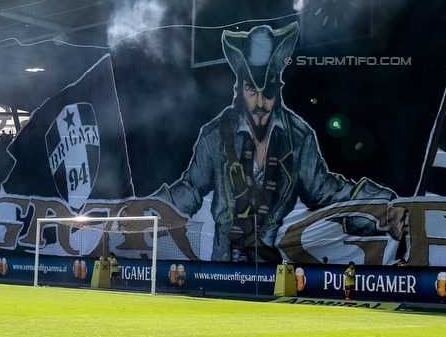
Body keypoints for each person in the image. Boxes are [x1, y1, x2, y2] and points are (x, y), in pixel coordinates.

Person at [155, 23, 408, 262]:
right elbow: (190, 189)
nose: (261, 104)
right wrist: (147, 212)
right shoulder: (215, 135)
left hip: (271, 269)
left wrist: (382, 210)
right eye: (251, 91)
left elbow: (327, 191)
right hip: (222, 265)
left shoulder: (298, 138)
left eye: (268, 92)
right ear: (240, 90)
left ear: (278, 88)